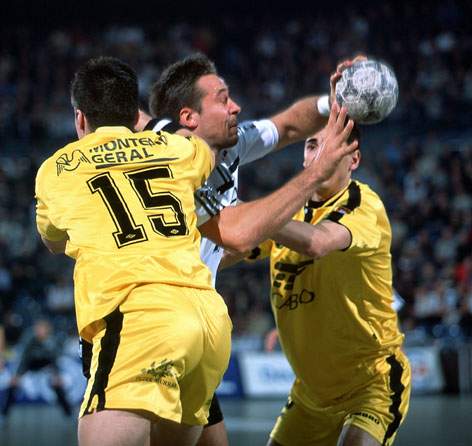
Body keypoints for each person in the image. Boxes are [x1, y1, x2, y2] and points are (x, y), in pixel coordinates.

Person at [35, 56, 358, 446]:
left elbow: (53, 240)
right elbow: (202, 164)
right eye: (223, 98)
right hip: (205, 324)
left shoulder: (58, 168)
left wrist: (320, 151)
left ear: (80, 118)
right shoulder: (183, 152)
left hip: (140, 321)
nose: (235, 107)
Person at [145, 52, 362, 446]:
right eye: (222, 99)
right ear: (189, 118)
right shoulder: (169, 170)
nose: (236, 107)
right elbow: (239, 234)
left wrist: (332, 103)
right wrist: (316, 173)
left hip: (193, 327)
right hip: (161, 331)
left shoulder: (229, 146)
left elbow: (290, 124)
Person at [228, 126, 412, 446]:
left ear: (354, 159)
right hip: (310, 394)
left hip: (372, 384)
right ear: (304, 158)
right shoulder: (289, 212)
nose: (320, 154)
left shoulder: (364, 205)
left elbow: (318, 242)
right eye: (312, 146)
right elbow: (231, 249)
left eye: (332, 146)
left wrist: (244, 210)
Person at [1, 318, 72, 418]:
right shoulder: (29, 338)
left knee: (57, 384)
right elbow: (24, 358)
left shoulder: (52, 340)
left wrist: (57, 375)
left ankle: (68, 414)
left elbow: (54, 360)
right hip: (30, 365)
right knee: (13, 384)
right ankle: (4, 414)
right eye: (38, 328)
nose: (39, 331)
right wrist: (17, 376)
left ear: (47, 330)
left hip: (46, 366)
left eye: (42, 329)